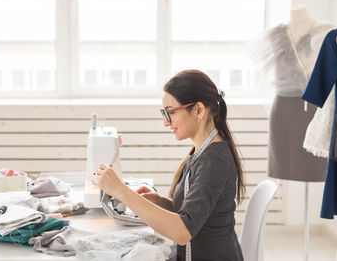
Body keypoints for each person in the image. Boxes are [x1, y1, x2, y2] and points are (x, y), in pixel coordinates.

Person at [94, 69, 245, 260]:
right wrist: (161, 203)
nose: (166, 122)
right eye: (164, 113)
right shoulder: (202, 152)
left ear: (198, 110)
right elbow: (197, 214)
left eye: (171, 113)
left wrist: (120, 191)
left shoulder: (213, 161)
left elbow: (183, 232)